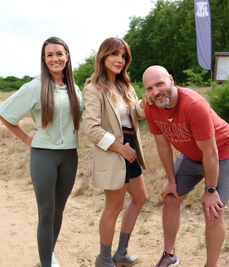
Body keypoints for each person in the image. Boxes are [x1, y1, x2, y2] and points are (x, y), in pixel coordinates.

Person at [0, 37, 83, 267]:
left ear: (67, 56)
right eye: (49, 55)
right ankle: (46, 263)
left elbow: (86, 117)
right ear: (44, 59)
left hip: (70, 156)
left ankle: (49, 253)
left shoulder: (75, 88)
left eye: (59, 53)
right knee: (46, 211)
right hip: (44, 156)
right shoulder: (35, 86)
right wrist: (26, 137)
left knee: (59, 210)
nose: (55, 58)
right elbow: (5, 113)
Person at [142, 65, 229, 267]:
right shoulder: (150, 106)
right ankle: (169, 255)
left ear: (171, 80)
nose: (156, 92)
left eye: (159, 84)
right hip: (192, 156)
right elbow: (162, 145)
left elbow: (211, 153)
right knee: (170, 197)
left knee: (213, 210)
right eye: (149, 88)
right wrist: (171, 181)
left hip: (222, 154)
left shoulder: (193, 104)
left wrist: (210, 190)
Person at [82, 37, 148, 267]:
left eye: (123, 56)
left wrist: (148, 99)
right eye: (114, 54)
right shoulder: (93, 88)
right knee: (114, 206)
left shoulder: (126, 86)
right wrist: (120, 148)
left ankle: (122, 252)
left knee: (140, 198)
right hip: (114, 150)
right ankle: (105, 258)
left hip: (131, 148)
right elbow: (91, 128)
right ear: (103, 56)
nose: (120, 60)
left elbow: (136, 113)